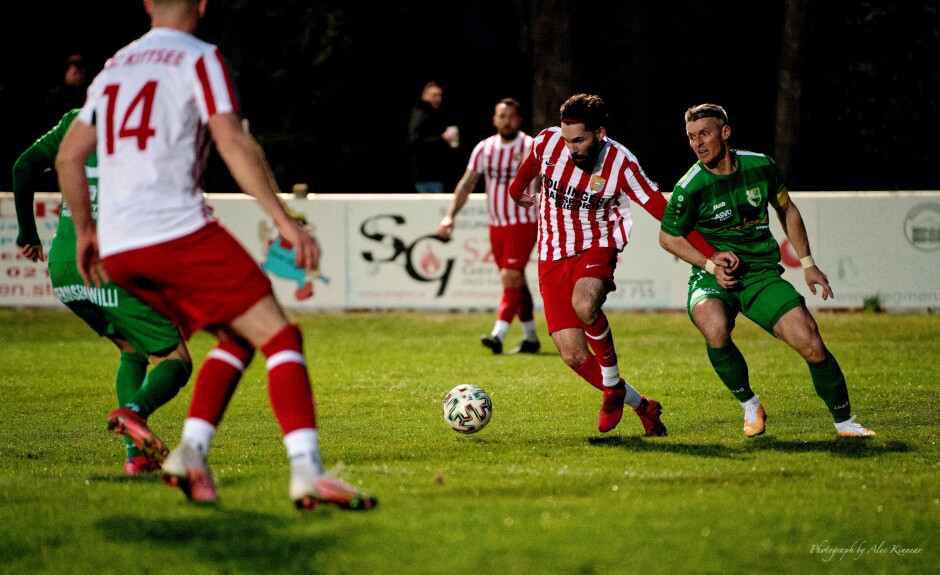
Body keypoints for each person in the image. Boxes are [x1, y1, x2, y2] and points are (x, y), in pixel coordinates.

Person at [56, 0, 376, 510]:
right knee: (281, 334)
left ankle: (191, 453)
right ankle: (308, 472)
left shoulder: (114, 67)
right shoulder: (199, 58)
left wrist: (85, 231)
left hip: (120, 249)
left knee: (238, 335)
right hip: (175, 231)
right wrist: (282, 219)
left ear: (146, 5)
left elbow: (69, 155)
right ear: (203, 5)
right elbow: (230, 138)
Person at [508, 93, 731, 435]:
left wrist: (711, 253)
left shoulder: (621, 163)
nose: (572, 149)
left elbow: (664, 211)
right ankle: (643, 405)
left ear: (600, 133)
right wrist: (517, 191)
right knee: (572, 355)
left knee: (585, 304)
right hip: (551, 256)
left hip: (597, 246)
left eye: (580, 140)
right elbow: (525, 172)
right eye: (568, 141)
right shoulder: (547, 143)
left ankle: (611, 386)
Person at [658, 103, 875, 438]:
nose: (697, 143)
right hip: (712, 277)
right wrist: (710, 263)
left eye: (704, 133)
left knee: (811, 340)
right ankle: (750, 404)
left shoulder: (761, 166)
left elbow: (786, 209)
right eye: (690, 137)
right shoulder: (690, 187)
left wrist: (808, 264)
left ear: (725, 132)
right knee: (713, 326)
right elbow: (667, 237)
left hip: (761, 275)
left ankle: (845, 423)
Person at [13, 109, 192, 475]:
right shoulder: (150, 123)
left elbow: (22, 166)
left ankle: (137, 456)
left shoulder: (76, 120)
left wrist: (27, 232)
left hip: (66, 267)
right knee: (176, 360)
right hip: (112, 266)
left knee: (131, 347)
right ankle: (132, 414)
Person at [437, 98, 541, 355]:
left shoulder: (530, 146)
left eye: (511, 116)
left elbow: (543, 183)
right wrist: (450, 215)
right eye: (501, 116)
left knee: (509, 276)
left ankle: (498, 334)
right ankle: (530, 337)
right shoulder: (484, 149)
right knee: (515, 281)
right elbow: (468, 182)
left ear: (519, 119)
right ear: (494, 120)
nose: (507, 121)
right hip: (497, 225)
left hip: (524, 222)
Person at [407, 80, 460, 193]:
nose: (438, 98)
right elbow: (414, 141)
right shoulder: (420, 114)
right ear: (425, 95)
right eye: (434, 95)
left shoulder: (434, 114)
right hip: (426, 176)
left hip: (436, 175)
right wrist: (442, 138)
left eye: (440, 95)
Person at [42, 54, 88, 129]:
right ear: (66, 73)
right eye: (75, 73)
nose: (78, 77)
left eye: (82, 73)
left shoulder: (83, 96)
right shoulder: (54, 95)